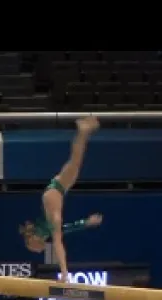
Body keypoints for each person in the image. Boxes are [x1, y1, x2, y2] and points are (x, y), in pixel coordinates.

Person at [19, 116, 102, 282]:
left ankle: (83, 129)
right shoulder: (45, 232)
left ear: (31, 240)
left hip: (53, 194)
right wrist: (86, 222)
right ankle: (84, 132)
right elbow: (67, 229)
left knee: (75, 161)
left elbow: (58, 241)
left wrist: (64, 273)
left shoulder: (41, 230)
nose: (38, 251)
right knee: (76, 162)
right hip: (57, 192)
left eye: (33, 249)